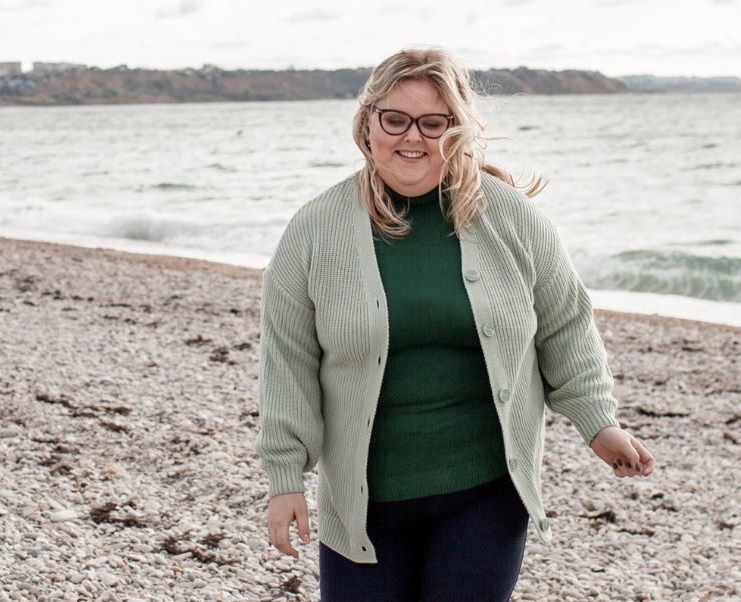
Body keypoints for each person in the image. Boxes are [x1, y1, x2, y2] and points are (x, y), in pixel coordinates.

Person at [254, 46, 657, 600]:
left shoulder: (510, 216)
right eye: (394, 119)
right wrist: (284, 479)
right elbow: (288, 360)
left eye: (434, 123)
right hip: (363, 504)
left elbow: (565, 323)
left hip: (485, 492)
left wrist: (596, 419)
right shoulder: (315, 230)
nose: (412, 138)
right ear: (367, 123)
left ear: (458, 131)